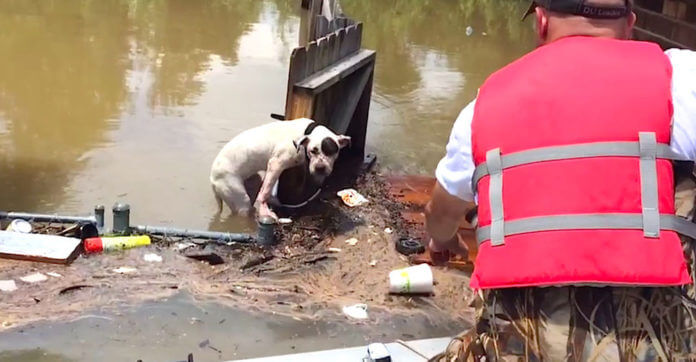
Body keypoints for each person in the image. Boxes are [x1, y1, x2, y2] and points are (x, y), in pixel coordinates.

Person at [425, 0, 696, 360]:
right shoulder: (684, 80)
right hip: (666, 341)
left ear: (540, 22)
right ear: (630, 24)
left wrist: (444, 241)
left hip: (525, 349)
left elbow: (440, 212)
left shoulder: (484, 106)